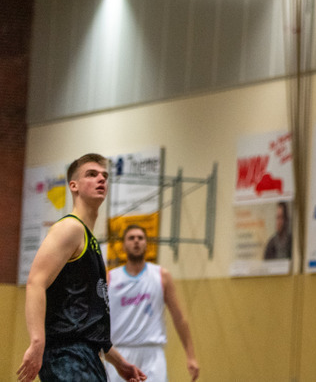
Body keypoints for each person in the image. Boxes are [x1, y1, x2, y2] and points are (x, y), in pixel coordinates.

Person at [18, 153, 147, 382]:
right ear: (73, 186)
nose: (101, 179)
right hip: (67, 354)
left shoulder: (90, 240)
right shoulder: (70, 228)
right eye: (92, 174)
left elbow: (87, 322)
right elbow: (35, 282)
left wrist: (119, 363)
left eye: (105, 176)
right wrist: (37, 342)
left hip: (87, 356)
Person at [104, 225, 200, 382]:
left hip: (152, 353)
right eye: (131, 238)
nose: (136, 241)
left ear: (146, 244)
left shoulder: (161, 276)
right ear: (123, 245)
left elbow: (179, 318)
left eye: (140, 238)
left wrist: (191, 356)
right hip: (120, 353)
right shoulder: (110, 278)